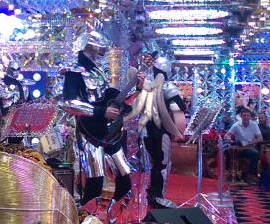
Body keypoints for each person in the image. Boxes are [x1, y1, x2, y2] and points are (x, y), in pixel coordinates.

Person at [61, 30, 133, 207]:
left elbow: (108, 96)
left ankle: (112, 214)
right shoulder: (74, 70)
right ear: (90, 45)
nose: (103, 49)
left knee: (125, 176)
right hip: (88, 131)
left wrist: (134, 90)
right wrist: (101, 112)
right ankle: (86, 217)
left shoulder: (97, 70)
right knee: (95, 179)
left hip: (108, 130)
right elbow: (70, 103)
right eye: (99, 45)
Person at [130, 54, 187, 208]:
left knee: (153, 163)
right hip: (160, 130)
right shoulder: (167, 86)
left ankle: (152, 194)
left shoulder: (145, 85)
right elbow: (180, 106)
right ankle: (158, 195)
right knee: (162, 163)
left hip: (144, 130)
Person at [226, 108, 263, 182]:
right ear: (241, 116)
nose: (246, 117)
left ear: (250, 116)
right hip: (238, 148)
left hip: (249, 148)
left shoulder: (254, 124)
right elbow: (227, 135)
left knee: (255, 153)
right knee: (227, 152)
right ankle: (231, 174)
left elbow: (260, 138)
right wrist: (230, 140)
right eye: (244, 115)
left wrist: (249, 143)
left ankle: (250, 175)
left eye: (248, 115)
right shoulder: (236, 125)